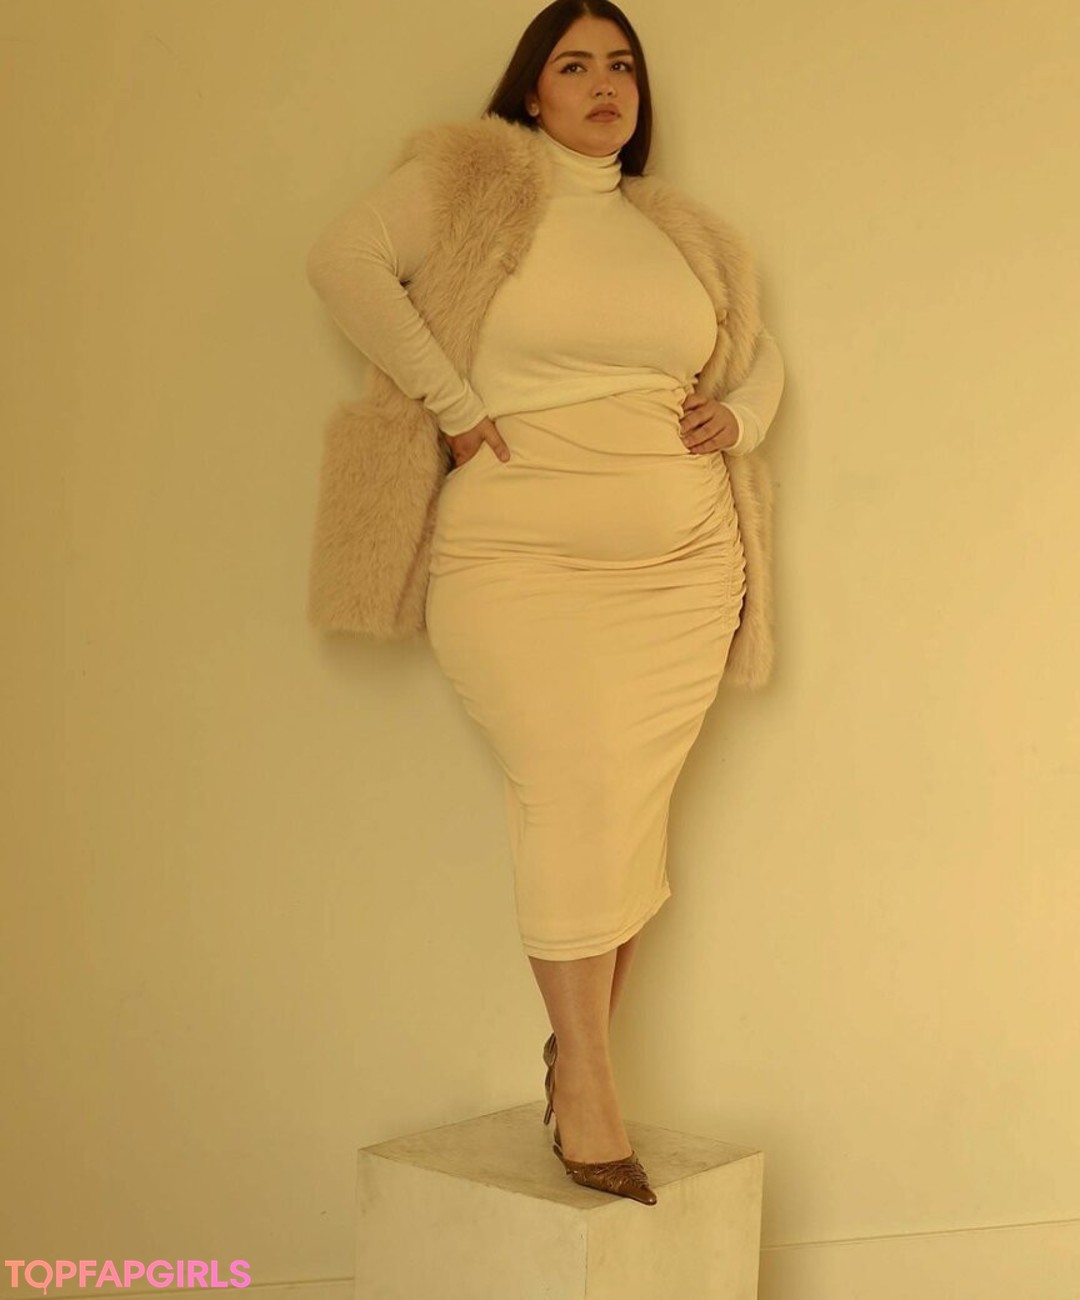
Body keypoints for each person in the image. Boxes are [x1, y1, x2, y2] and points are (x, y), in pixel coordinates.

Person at [305, 0, 785, 1206]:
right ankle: (590, 1082)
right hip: (516, 559)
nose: (604, 82)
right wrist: (456, 406)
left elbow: (758, 350)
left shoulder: (676, 230)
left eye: (621, 64)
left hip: (684, 568)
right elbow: (342, 263)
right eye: (575, 65)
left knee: (626, 808)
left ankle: (576, 1068)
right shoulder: (471, 184)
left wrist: (741, 417)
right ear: (532, 90)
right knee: (572, 785)